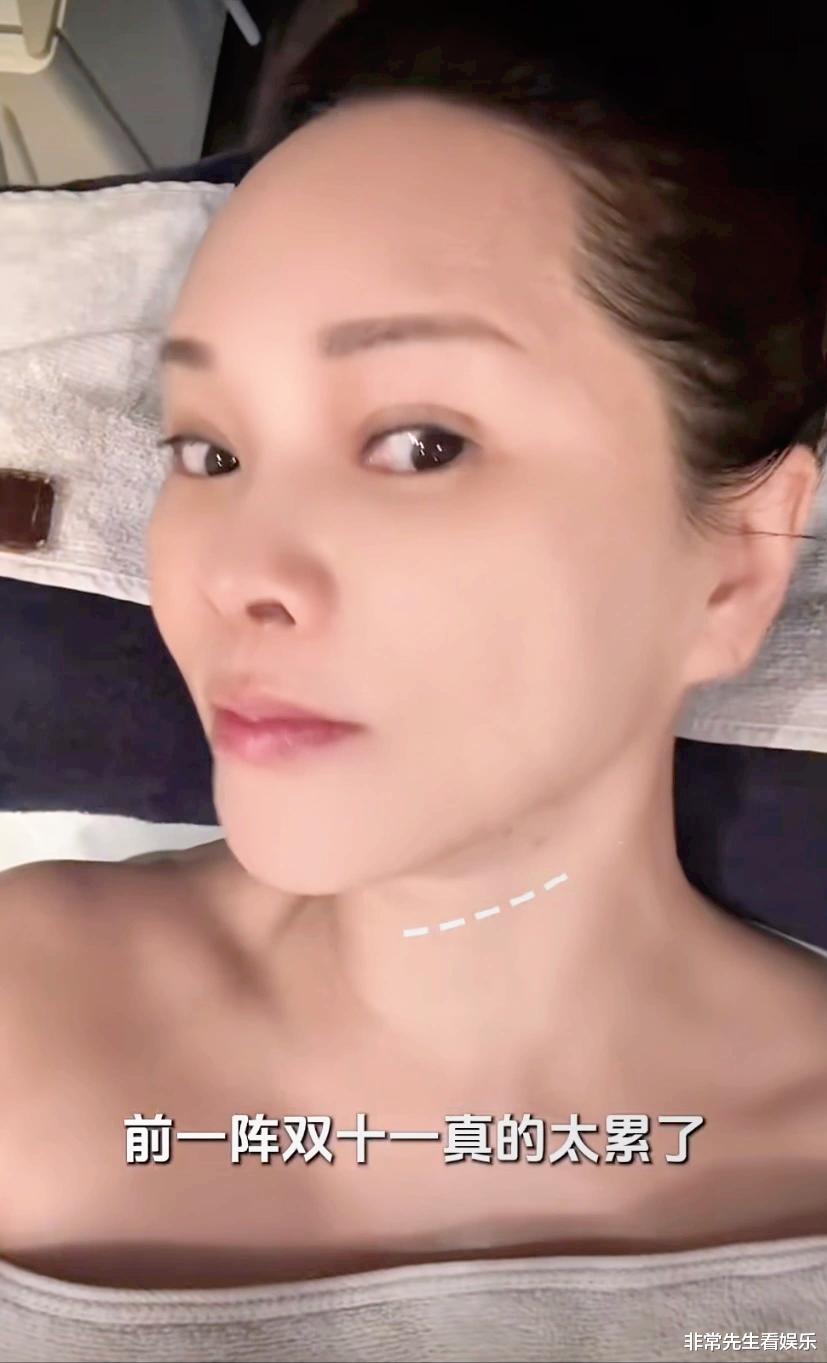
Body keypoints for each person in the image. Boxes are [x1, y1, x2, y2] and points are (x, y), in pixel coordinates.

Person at [0, 0, 826, 1345]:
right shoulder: (26, 1015)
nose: (234, 568)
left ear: (735, 565)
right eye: (207, 452)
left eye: (420, 444)